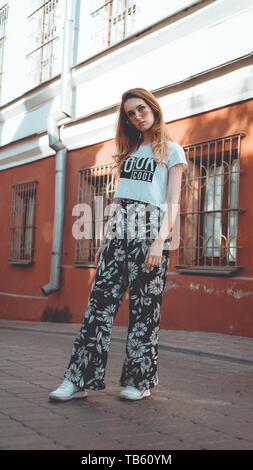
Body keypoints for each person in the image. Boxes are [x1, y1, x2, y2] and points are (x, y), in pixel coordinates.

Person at [49, 88, 188, 402]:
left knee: (144, 311)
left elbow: (173, 203)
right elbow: (119, 200)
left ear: (153, 108)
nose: (137, 117)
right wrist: (106, 239)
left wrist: (158, 244)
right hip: (119, 234)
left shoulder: (172, 151)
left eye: (141, 109)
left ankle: (140, 381)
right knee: (97, 308)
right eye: (130, 114)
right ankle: (77, 379)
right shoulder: (129, 152)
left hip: (151, 233)